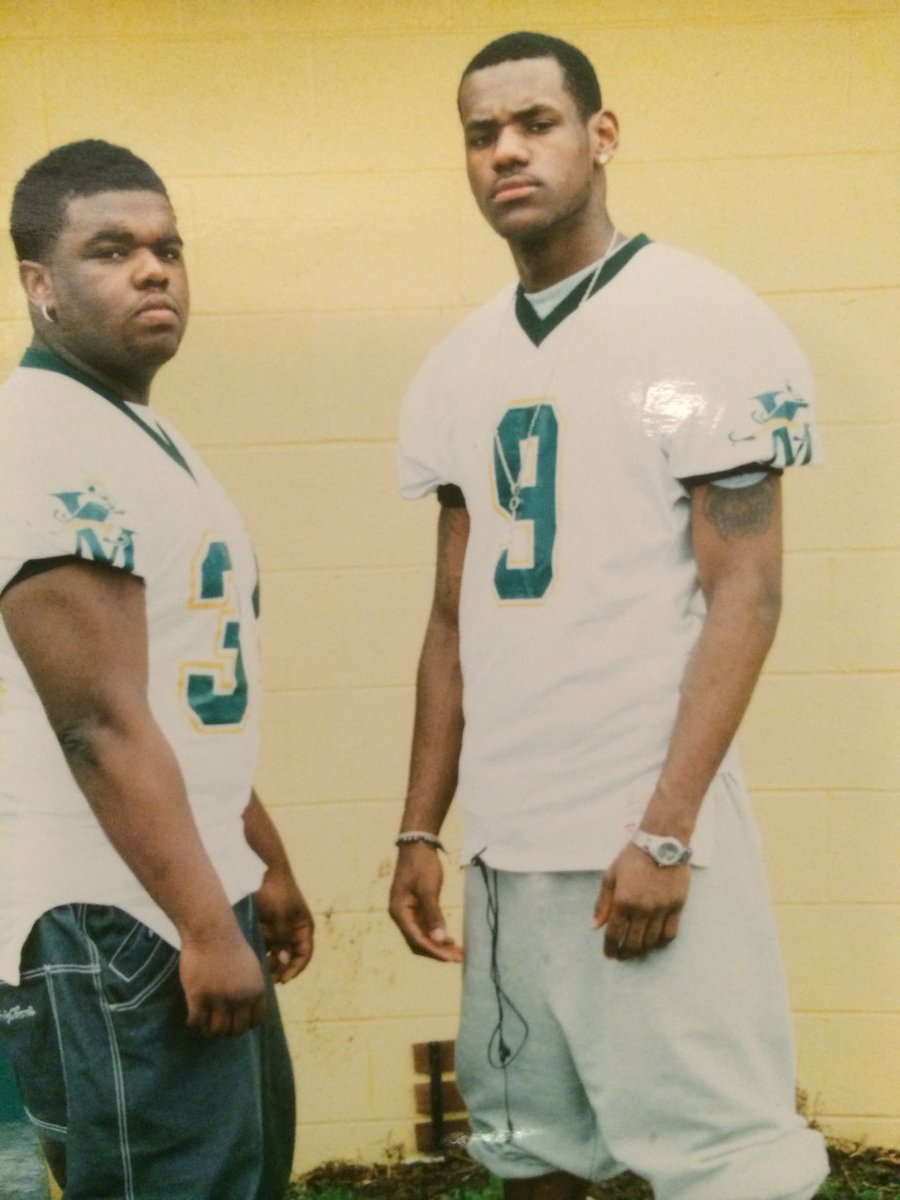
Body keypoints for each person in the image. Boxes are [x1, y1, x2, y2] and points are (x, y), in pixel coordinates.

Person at [389, 32, 829, 1200]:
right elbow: (451, 616)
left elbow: (749, 588)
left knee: (725, 1163)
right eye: (482, 134)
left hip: (640, 820)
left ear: (601, 134)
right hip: (504, 841)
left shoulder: (701, 316)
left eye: (535, 122)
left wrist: (667, 829)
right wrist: (421, 828)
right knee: (529, 1151)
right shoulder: (456, 364)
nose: (506, 152)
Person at [0, 140, 313, 1200]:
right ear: (40, 284)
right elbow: (98, 722)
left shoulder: (135, 428)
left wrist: (257, 855)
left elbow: (175, 691)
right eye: (113, 250)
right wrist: (199, 919)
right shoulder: (44, 437)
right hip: (119, 918)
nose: (154, 269)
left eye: (168, 247)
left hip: (181, 888)